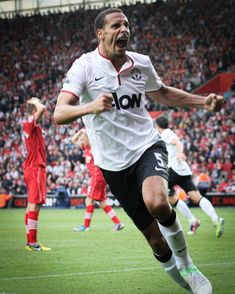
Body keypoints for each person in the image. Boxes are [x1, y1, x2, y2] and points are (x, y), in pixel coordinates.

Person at [54, 8, 224, 293]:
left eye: (127, 25)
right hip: (112, 164)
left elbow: (164, 93)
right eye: (116, 26)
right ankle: (185, 281)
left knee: (158, 202)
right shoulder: (84, 66)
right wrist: (90, 107)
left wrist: (202, 102)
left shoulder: (141, 63)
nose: (124, 30)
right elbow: (60, 113)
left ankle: (190, 267)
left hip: (147, 146)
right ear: (101, 33)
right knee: (154, 239)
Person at [155, 115, 224, 237]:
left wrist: (180, 152)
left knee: (162, 194)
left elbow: (177, 142)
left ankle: (192, 220)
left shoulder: (166, 133)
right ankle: (215, 218)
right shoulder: (165, 133)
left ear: (158, 126)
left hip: (173, 169)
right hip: (183, 170)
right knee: (196, 196)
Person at [72, 128, 124, 232]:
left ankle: (86, 226)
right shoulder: (85, 148)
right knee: (102, 202)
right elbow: (73, 140)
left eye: (83, 139)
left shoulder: (94, 147)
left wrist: (85, 132)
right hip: (98, 177)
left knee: (89, 199)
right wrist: (80, 132)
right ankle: (118, 223)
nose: (81, 141)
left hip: (97, 176)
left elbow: (90, 135)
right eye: (81, 139)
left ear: (88, 139)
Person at [23, 97, 51, 251]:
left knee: (30, 205)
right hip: (35, 168)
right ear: (34, 110)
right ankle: (33, 242)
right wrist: (35, 101)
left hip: (31, 167)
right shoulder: (29, 122)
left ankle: (30, 242)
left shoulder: (32, 125)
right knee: (35, 205)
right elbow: (42, 108)